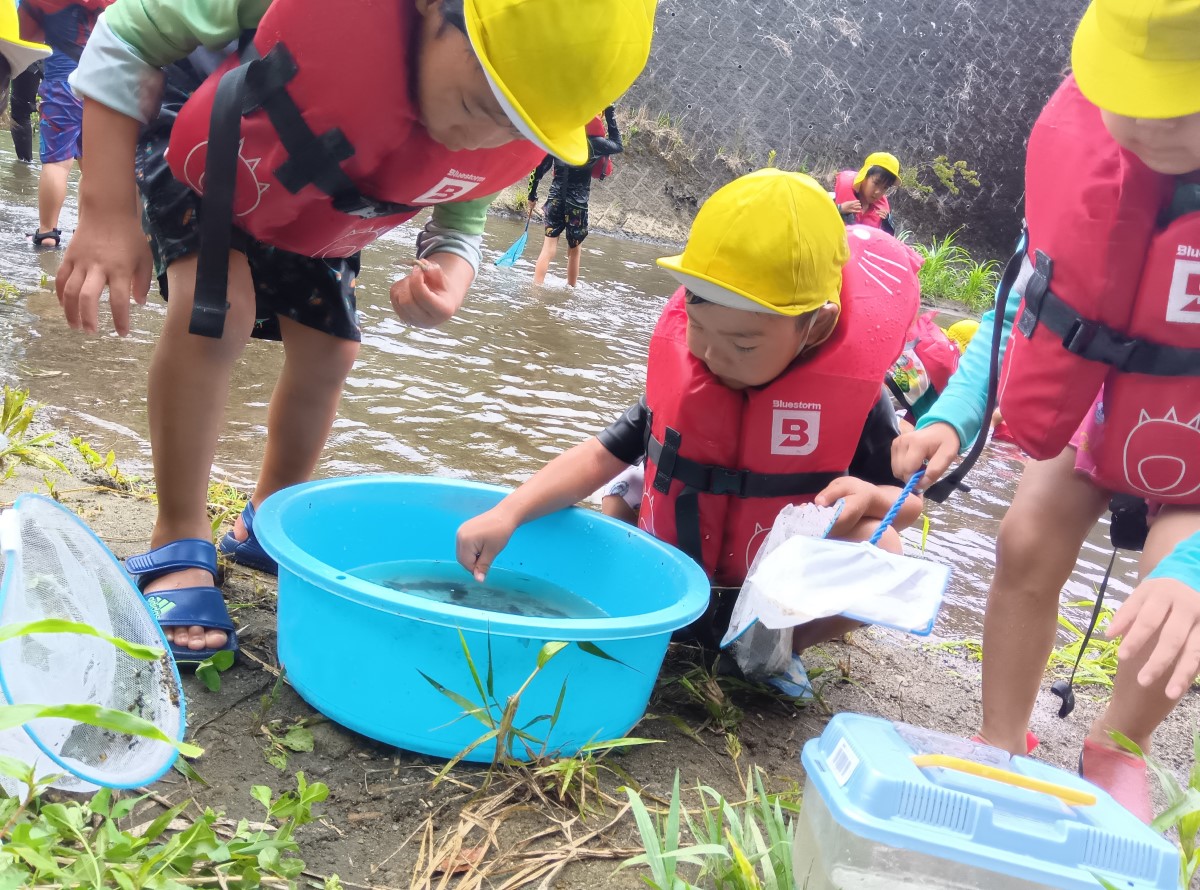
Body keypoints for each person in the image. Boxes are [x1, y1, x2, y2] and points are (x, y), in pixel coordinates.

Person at [56, 0, 656, 666]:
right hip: (213, 129)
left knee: (331, 349)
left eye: (513, 128)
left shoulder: (495, 119)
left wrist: (449, 277)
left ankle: (270, 519)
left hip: (326, 191)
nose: (478, 139)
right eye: (476, 103)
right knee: (215, 310)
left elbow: (460, 223)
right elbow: (122, 36)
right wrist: (105, 213)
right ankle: (179, 536)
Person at [892, 0, 1200, 822]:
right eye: (1122, 102)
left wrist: (1194, 568)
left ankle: (1118, 744)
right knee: (1023, 539)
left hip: (1197, 459)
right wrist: (953, 418)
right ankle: (1001, 737)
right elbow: (1026, 319)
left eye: (1178, 112)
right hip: (1097, 413)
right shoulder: (1083, 160)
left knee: (1168, 598)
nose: (1142, 128)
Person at [457, 169, 924, 653]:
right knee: (621, 492)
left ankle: (778, 653)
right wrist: (507, 514)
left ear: (817, 325)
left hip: (771, 588)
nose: (712, 356)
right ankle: (644, 612)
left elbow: (908, 502)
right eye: (699, 329)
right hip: (676, 567)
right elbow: (600, 455)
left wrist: (869, 496)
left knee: (884, 547)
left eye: (743, 345)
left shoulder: (858, 397)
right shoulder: (682, 379)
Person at [18, 0, 109, 245]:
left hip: (63, 84)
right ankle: (86, 232)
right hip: (105, 86)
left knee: (58, 163)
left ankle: (47, 232)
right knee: (93, 165)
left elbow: (26, 36)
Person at [528, 104, 622, 286]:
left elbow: (539, 169)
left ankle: (536, 288)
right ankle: (571, 291)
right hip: (577, 206)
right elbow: (618, 145)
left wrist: (532, 195)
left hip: (555, 200)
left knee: (548, 248)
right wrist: (611, 114)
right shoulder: (596, 143)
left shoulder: (561, 139)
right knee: (575, 249)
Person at [0, 1, 49, 162]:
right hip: (22, 48)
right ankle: (26, 164)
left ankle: (26, 164)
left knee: (21, 111)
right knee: (22, 110)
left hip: (22, 48)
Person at [834, 151, 899, 234]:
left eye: (885, 187)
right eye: (876, 183)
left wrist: (888, 224)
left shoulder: (883, 216)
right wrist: (839, 209)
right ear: (864, 176)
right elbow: (816, 216)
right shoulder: (834, 193)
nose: (878, 192)